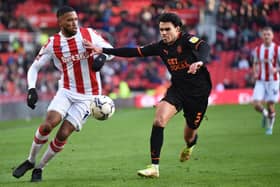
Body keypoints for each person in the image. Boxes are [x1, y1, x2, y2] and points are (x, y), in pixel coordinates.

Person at [83, 12, 212, 178]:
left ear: (178, 29)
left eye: (167, 29)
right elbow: (134, 52)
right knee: (159, 120)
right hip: (177, 90)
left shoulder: (187, 40)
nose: (163, 33)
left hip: (198, 94)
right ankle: (154, 167)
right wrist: (102, 49)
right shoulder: (160, 47)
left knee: (190, 133)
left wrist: (200, 61)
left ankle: (190, 145)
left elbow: (205, 47)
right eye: (161, 30)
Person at [12, 6, 113, 182]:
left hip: (89, 97)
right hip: (66, 91)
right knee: (48, 125)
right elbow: (35, 67)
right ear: (60, 22)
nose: (74, 23)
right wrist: (31, 88)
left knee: (63, 133)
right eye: (69, 20)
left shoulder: (88, 34)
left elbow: (110, 49)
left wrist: (101, 57)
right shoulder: (53, 43)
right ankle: (30, 160)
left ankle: (40, 168)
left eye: (75, 19)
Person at [252, 26, 280, 135]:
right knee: (255, 104)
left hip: (273, 81)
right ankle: (265, 114)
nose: (266, 36)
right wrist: (254, 72)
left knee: (270, 105)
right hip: (261, 80)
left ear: (272, 36)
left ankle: (270, 127)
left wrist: (276, 69)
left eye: (268, 34)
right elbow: (255, 63)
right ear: (262, 36)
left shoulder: (277, 49)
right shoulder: (258, 50)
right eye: (264, 34)